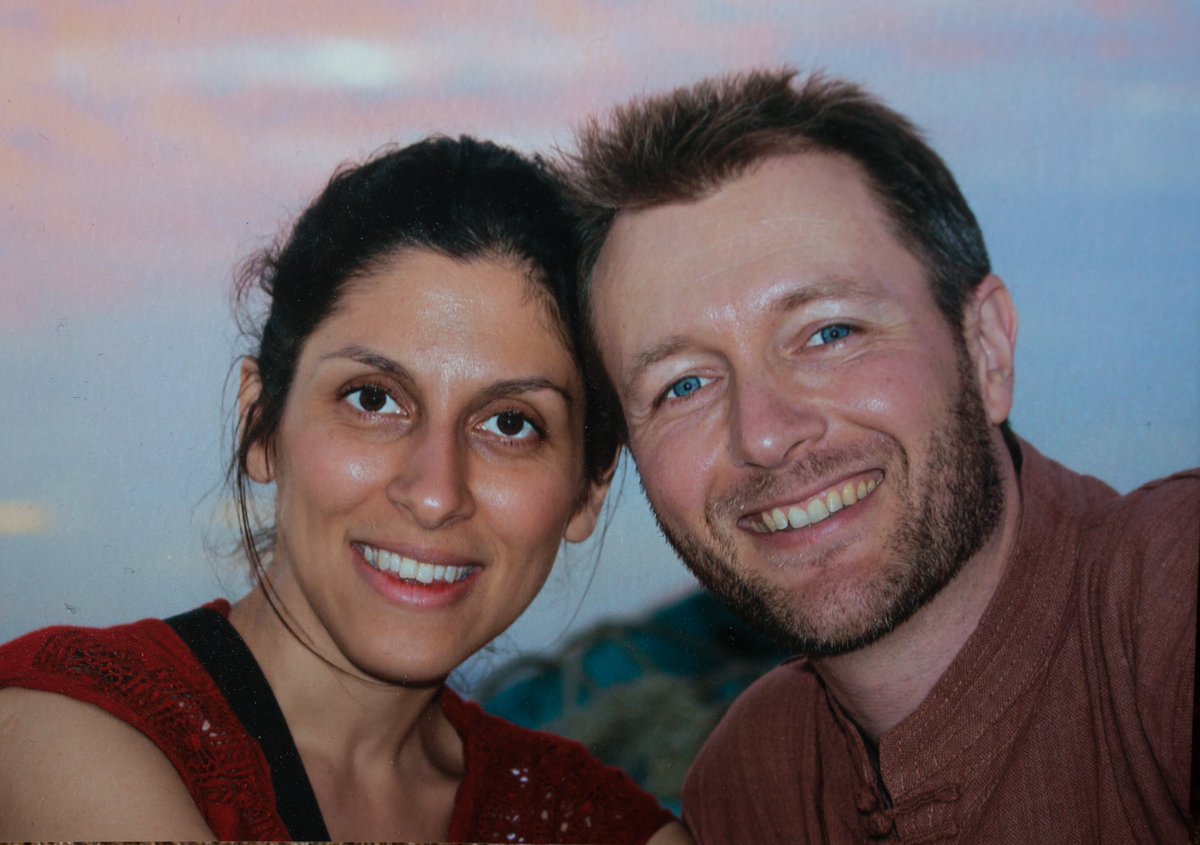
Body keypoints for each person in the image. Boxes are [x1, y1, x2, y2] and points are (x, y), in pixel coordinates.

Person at [564, 68, 1198, 843]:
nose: (763, 434)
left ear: (987, 349)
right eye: (684, 384)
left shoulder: (1171, 603)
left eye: (830, 333)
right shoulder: (751, 787)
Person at [0, 136, 690, 844]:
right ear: (261, 424)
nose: (435, 493)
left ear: (589, 490)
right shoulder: (61, 735)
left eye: (510, 423)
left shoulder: (602, 827)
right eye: (373, 399)